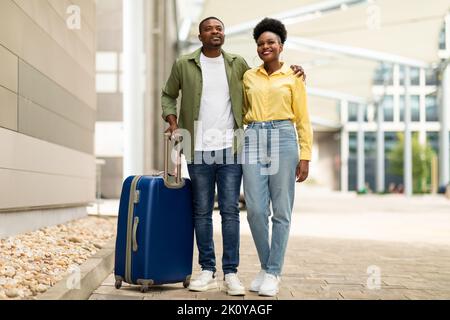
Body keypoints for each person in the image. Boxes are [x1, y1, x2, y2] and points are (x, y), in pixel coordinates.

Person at [161, 17, 305, 296]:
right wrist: (172, 121)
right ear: (200, 35)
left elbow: (267, 81)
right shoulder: (184, 64)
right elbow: (168, 94)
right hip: (198, 148)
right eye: (208, 29)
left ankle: (231, 273)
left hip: (233, 149)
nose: (215, 32)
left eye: (219, 28)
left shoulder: (238, 64)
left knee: (230, 212)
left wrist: (294, 69)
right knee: (202, 212)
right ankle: (206, 270)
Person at [242, 18, 313, 297]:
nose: (265, 46)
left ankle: (272, 272)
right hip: (253, 137)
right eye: (260, 43)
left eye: (270, 42)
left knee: (281, 211)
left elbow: (303, 119)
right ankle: (266, 265)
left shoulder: (293, 77)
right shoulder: (248, 76)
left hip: (284, 137)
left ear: (281, 46)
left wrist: (305, 155)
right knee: (256, 210)